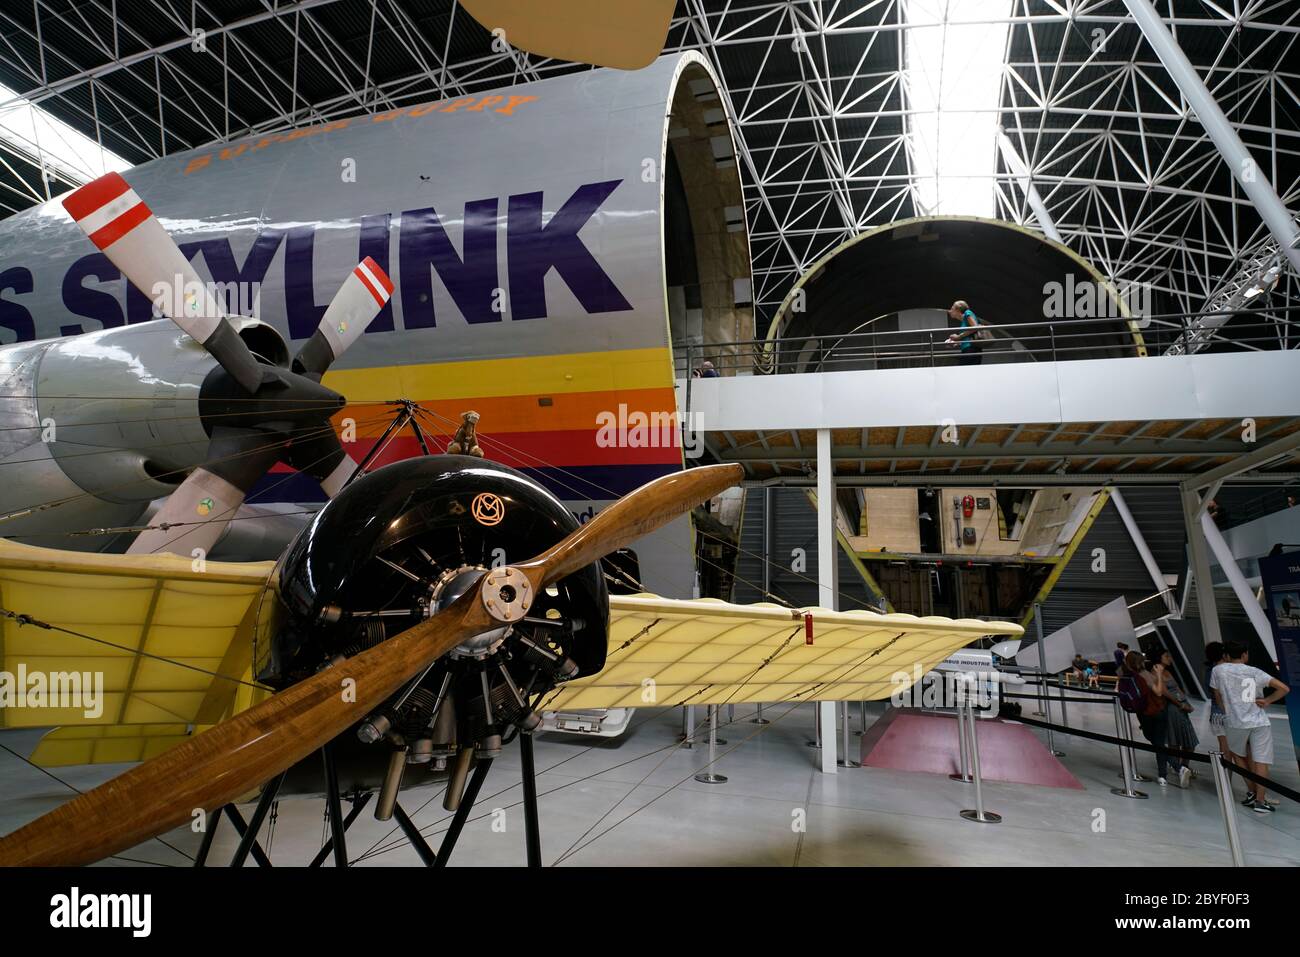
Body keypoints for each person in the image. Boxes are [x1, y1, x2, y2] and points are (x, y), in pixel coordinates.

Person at [1210, 640, 1290, 812]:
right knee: (1261, 760)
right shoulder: (1255, 672)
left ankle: (1252, 792)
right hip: (1258, 721)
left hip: (1234, 721)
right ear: (1245, 654)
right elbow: (1284, 688)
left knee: (1239, 756)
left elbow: (1218, 697)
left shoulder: (1217, 670)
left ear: (1226, 655)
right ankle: (1260, 801)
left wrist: (1229, 712)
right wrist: (1267, 700)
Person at [1125, 650, 1187, 787]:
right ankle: (1172, 771)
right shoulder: (1145, 674)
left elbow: (1158, 691)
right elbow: (1159, 692)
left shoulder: (1135, 676)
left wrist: (1158, 675)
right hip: (1157, 711)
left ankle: (1167, 774)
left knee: (1157, 742)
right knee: (1158, 742)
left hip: (1146, 713)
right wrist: (1158, 675)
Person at [1158, 649, 1199, 776]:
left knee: (1189, 740)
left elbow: (1177, 688)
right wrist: (1181, 704)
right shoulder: (1156, 673)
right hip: (1172, 709)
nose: (1170, 658)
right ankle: (1178, 767)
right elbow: (1165, 693)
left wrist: (1186, 703)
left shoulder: (1168, 672)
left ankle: (1183, 765)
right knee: (1174, 740)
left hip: (1180, 708)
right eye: (1166, 656)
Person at [945, 300, 989, 366]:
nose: (949, 311)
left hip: (971, 349)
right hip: (968, 349)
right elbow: (968, 336)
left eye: (952, 309)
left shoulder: (967, 313)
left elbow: (975, 327)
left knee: (963, 370)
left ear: (958, 310)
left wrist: (958, 337)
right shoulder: (964, 321)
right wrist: (956, 343)